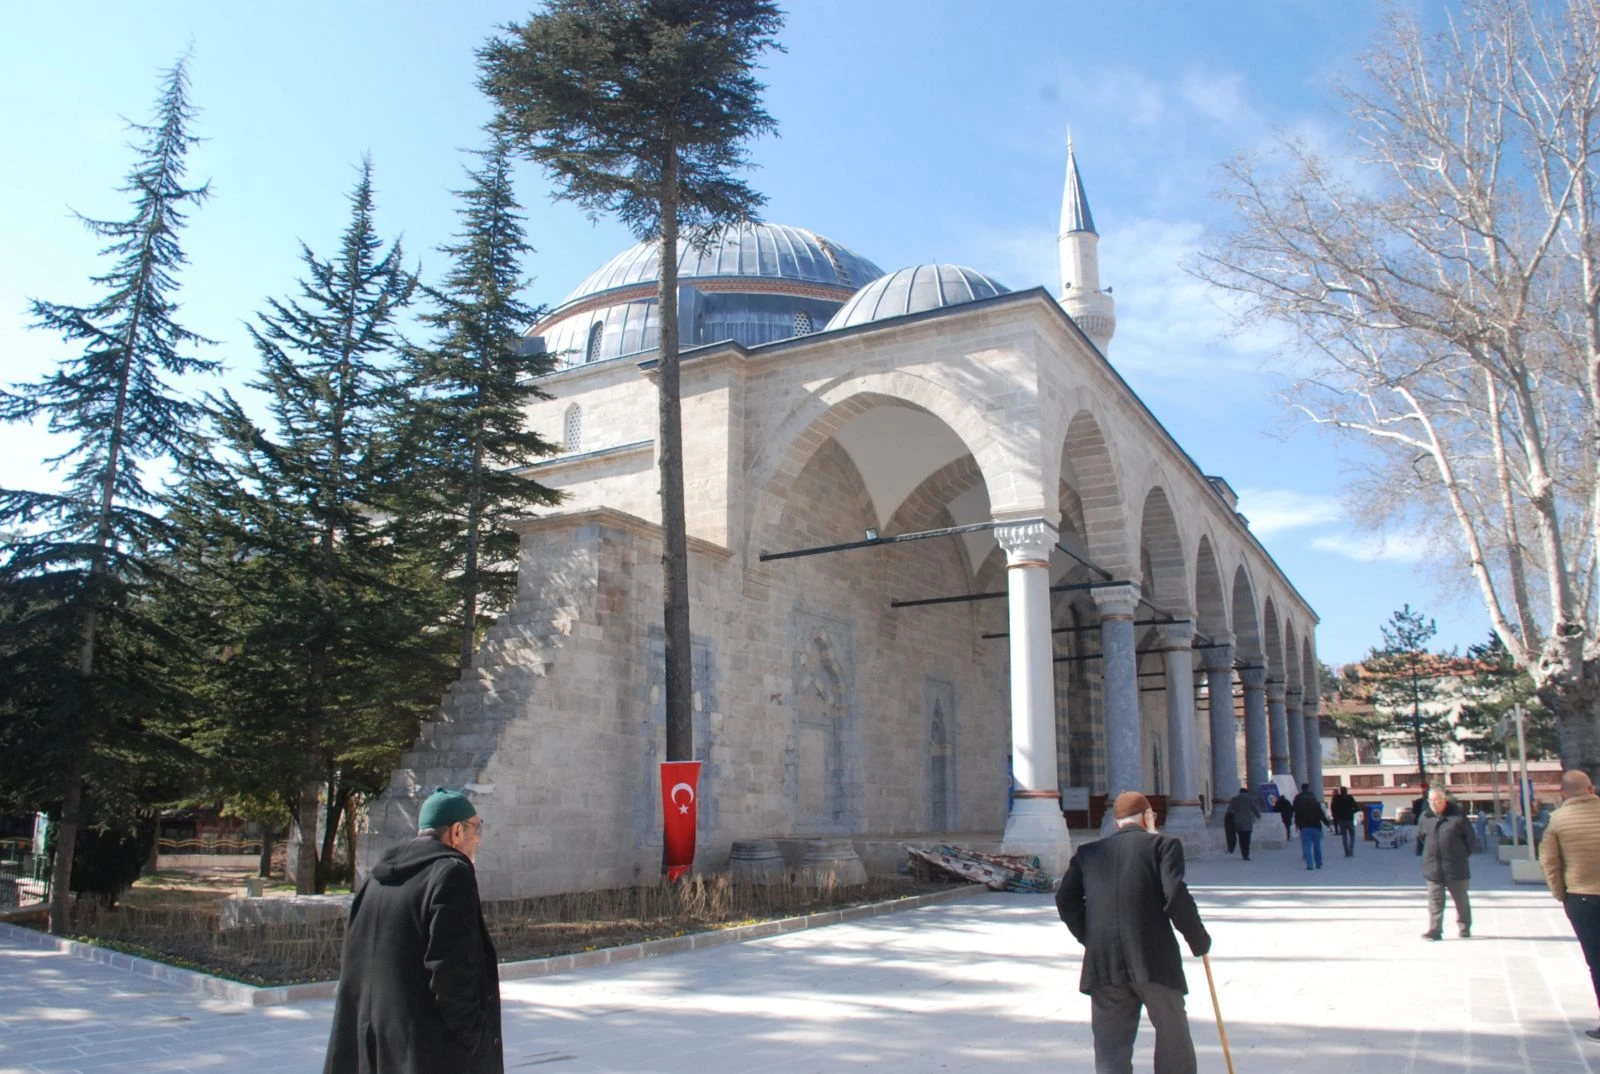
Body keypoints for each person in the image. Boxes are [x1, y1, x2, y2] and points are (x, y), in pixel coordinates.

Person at [324, 788, 503, 1074]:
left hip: (378, 1047)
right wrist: (476, 1041)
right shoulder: (451, 874)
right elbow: (451, 974)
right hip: (429, 1053)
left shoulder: (376, 878)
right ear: (456, 831)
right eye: (476, 828)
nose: (478, 840)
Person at [1057, 791, 1211, 1074]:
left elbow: (1065, 901)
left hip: (1104, 963)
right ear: (1148, 817)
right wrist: (1198, 939)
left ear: (1116, 823)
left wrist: (1091, 937)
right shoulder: (1163, 846)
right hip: (1153, 959)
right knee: (1172, 1036)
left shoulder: (1088, 854)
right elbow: (1176, 896)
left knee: (1110, 1048)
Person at [1539, 770, 1600, 1042]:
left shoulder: (1557, 820)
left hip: (1582, 897)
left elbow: (1549, 862)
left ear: (1563, 793)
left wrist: (1560, 894)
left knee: (1597, 961)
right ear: (1591, 788)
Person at [1416, 786, 1476, 941]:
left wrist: (1460, 855)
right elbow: (1422, 837)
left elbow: (1470, 840)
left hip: (1455, 867)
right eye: (1431, 800)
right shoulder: (1425, 817)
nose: (1434, 804)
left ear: (1444, 800)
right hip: (1433, 868)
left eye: (1437, 800)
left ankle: (1464, 927)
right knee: (1435, 902)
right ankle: (1435, 930)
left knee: (1461, 899)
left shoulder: (1457, 817)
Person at [1292, 783, 1331, 870]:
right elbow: (1321, 815)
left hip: (1305, 827)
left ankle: (1310, 865)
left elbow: (1296, 813)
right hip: (1316, 827)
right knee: (1317, 846)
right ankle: (1319, 863)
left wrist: (1297, 824)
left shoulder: (1299, 801)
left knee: (1307, 846)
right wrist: (1328, 824)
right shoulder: (1316, 804)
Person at [1226, 786, 1262, 861]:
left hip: (1238, 822)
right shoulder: (1249, 800)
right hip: (1247, 823)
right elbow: (1254, 809)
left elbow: (1229, 810)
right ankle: (1246, 855)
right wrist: (1258, 816)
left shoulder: (1234, 799)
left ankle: (1243, 852)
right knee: (1247, 839)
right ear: (1246, 792)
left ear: (1240, 792)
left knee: (1241, 839)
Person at [1330, 786, 1359, 857]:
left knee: (1344, 836)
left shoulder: (1336, 798)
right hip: (1349, 819)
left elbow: (1333, 808)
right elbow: (1357, 808)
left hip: (1341, 819)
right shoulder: (1349, 797)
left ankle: (1346, 851)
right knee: (1352, 835)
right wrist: (1352, 812)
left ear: (1340, 791)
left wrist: (1336, 815)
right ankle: (1351, 848)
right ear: (1346, 791)